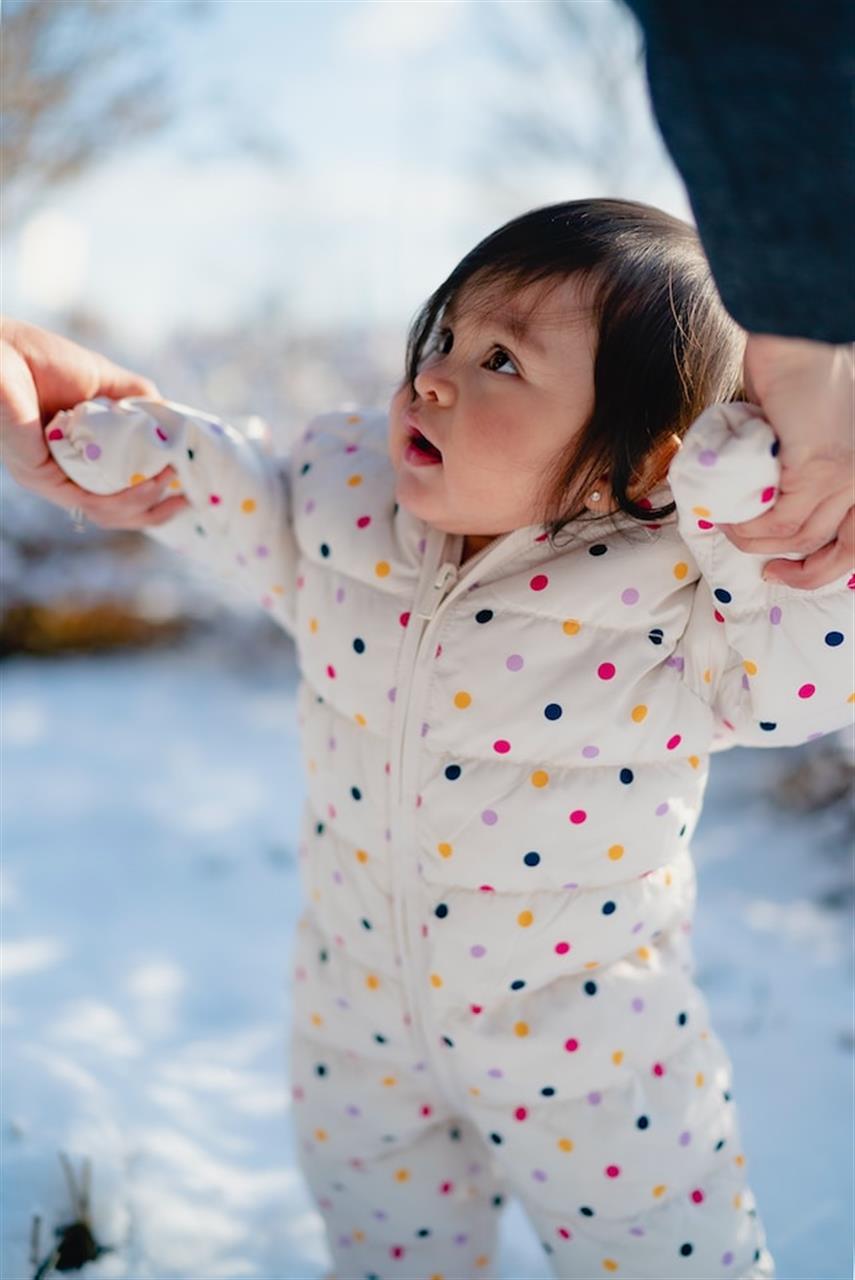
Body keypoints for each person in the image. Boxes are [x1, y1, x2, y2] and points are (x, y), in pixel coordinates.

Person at [8, 199, 854, 1277]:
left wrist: (751, 517)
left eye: (503, 359)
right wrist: (153, 443)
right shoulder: (346, 502)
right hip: (359, 1029)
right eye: (446, 333)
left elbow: (809, 678)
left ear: (641, 464)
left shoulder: (679, 599)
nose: (437, 373)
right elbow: (242, 494)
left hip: (593, 1054)